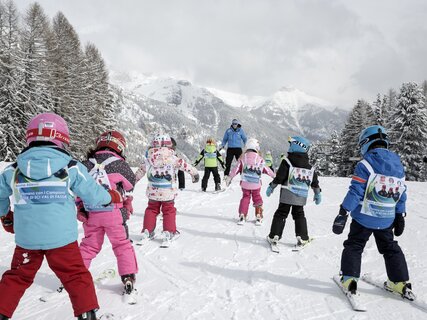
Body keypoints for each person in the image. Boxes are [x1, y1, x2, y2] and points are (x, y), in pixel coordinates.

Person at [0, 113, 123, 320]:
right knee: (76, 276)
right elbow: (93, 193)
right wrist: (110, 196)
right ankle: (87, 314)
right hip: (61, 240)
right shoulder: (71, 167)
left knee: (18, 276)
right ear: (62, 139)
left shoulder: (13, 169)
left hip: (27, 240)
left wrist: (6, 216)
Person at [332, 125, 413, 299]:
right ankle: (400, 282)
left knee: (354, 245)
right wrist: (400, 214)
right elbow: (401, 192)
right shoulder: (398, 164)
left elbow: (356, 191)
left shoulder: (365, 163)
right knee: (390, 247)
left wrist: (343, 211)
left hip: (364, 218)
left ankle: (350, 279)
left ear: (365, 143)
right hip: (386, 218)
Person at [78, 131, 138, 298]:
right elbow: (130, 183)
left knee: (89, 246)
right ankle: (127, 276)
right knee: (121, 245)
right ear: (119, 147)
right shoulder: (118, 164)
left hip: (91, 213)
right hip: (113, 212)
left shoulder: (85, 164)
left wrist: (80, 207)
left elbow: (78, 188)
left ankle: (76, 275)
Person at [135, 133, 199, 244]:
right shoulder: (173, 158)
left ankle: (147, 231)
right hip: (168, 191)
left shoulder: (149, 159)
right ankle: (169, 232)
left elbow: (140, 171)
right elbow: (186, 166)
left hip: (153, 191)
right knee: (168, 211)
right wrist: (195, 174)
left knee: (151, 209)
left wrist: (132, 182)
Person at [266, 136, 321, 247]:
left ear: (296, 145)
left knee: (281, 213)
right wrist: (317, 193)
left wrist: (271, 186)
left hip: (287, 194)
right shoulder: (309, 166)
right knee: (299, 215)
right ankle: (303, 237)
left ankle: (274, 235)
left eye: (291, 144)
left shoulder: (287, 161)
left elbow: (280, 177)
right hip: (300, 196)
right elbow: (314, 181)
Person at [226, 138, 275, 225]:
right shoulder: (260, 159)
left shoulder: (243, 158)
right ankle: (259, 215)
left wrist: (230, 177)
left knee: (245, 197)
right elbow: (267, 170)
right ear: (256, 147)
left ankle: (242, 215)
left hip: (245, 183)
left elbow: (236, 169)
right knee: (257, 197)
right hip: (256, 184)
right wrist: (275, 176)